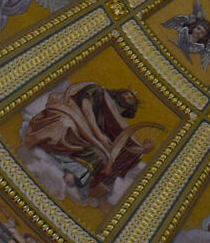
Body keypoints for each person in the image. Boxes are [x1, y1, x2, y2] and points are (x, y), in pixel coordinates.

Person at [19, 80, 159, 205]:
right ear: (118, 93)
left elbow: (127, 148)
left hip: (89, 142)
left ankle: (72, 174)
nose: (128, 97)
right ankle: (49, 153)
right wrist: (97, 134)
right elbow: (86, 107)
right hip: (77, 118)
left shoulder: (121, 126)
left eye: (131, 100)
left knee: (101, 156)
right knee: (65, 124)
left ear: (130, 109)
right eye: (127, 94)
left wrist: (143, 150)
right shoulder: (100, 93)